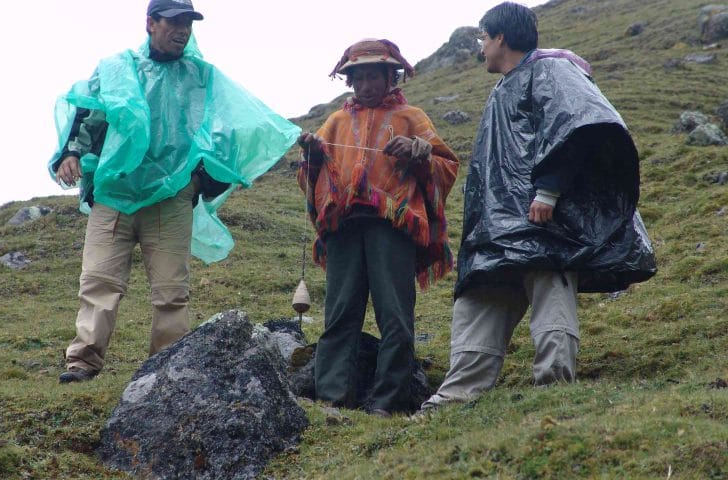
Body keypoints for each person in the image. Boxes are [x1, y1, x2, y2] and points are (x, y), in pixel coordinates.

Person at [421, 2, 656, 410]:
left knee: (550, 289)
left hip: (542, 217)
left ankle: (553, 389)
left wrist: (548, 192)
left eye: (483, 38)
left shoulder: (552, 70)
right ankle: (456, 396)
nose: (480, 48)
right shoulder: (507, 84)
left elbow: (578, 126)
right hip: (499, 225)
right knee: (481, 298)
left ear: (501, 39)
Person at [50, 0, 298, 383]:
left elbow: (230, 125)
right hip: (114, 194)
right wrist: (70, 153)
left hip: (170, 197)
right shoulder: (116, 69)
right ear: (150, 23)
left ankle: (165, 367)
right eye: (174, 22)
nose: (182, 29)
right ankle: (82, 362)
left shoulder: (201, 76)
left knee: (171, 290)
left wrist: (201, 179)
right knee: (99, 282)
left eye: (188, 22)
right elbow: (88, 110)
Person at [297, 39, 459, 415]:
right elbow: (309, 173)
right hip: (344, 229)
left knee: (396, 317)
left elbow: (447, 166)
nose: (366, 85)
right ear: (349, 81)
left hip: (392, 229)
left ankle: (387, 402)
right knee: (339, 316)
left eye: (374, 76)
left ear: (391, 76)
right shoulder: (335, 122)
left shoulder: (411, 118)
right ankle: (331, 400)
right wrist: (312, 154)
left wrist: (420, 153)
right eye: (359, 78)